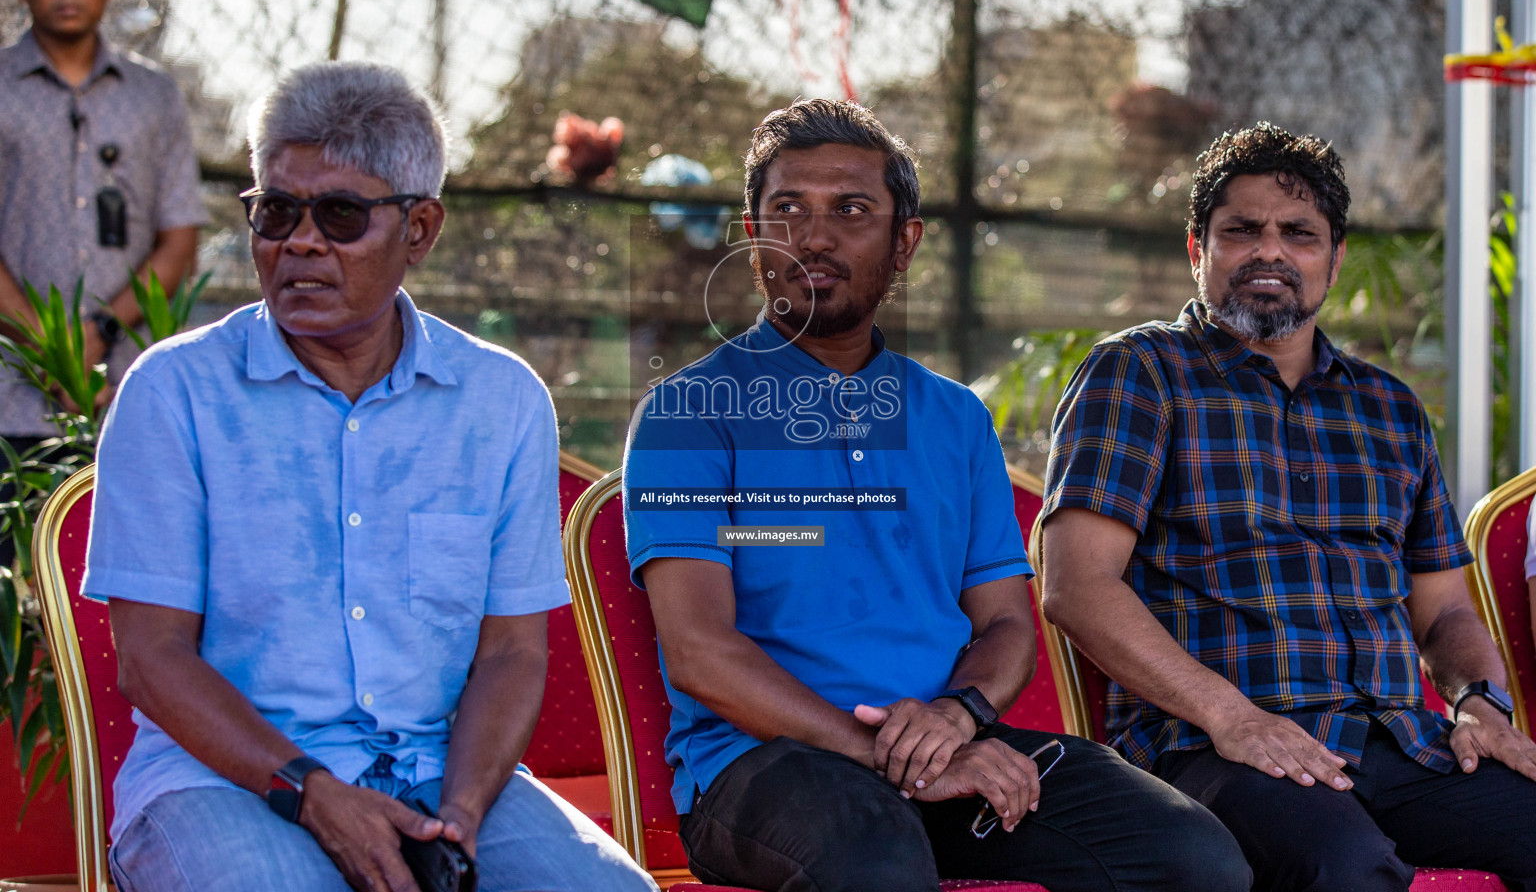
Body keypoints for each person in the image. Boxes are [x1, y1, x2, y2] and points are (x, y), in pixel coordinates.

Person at [622, 98, 1249, 892]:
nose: (813, 236)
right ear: (752, 235)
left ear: (904, 242)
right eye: (787, 209)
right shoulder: (686, 415)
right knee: (877, 861)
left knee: (1194, 858)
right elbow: (701, 653)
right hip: (765, 768)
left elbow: (1005, 625)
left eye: (851, 210)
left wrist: (957, 720)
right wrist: (894, 757)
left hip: (951, 740)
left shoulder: (955, 419)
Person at [82, 62, 657, 892]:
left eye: (341, 214)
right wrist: (310, 792)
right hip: (225, 781)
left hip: (439, 780)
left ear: (419, 230)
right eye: (276, 212)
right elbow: (151, 659)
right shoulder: (175, 394)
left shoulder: (500, 402)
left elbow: (509, 656)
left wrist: (458, 816)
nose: (300, 242)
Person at [1041, 121, 1536, 892]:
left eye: (1298, 233)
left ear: (1333, 259)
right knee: (1340, 865)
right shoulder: (1138, 375)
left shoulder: (1390, 408)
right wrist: (1232, 715)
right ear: (1197, 250)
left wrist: (1480, 703)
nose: (1269, 251)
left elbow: (1443, 613)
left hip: (1399, 742)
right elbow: (1077, 586)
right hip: (1210, 745)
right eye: (1242, 230)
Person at [0, 0, 204, 449]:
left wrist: (98, 332)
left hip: (130, 396)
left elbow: (179, 237)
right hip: (11, 405)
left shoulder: (154, 95)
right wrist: (53, 352)